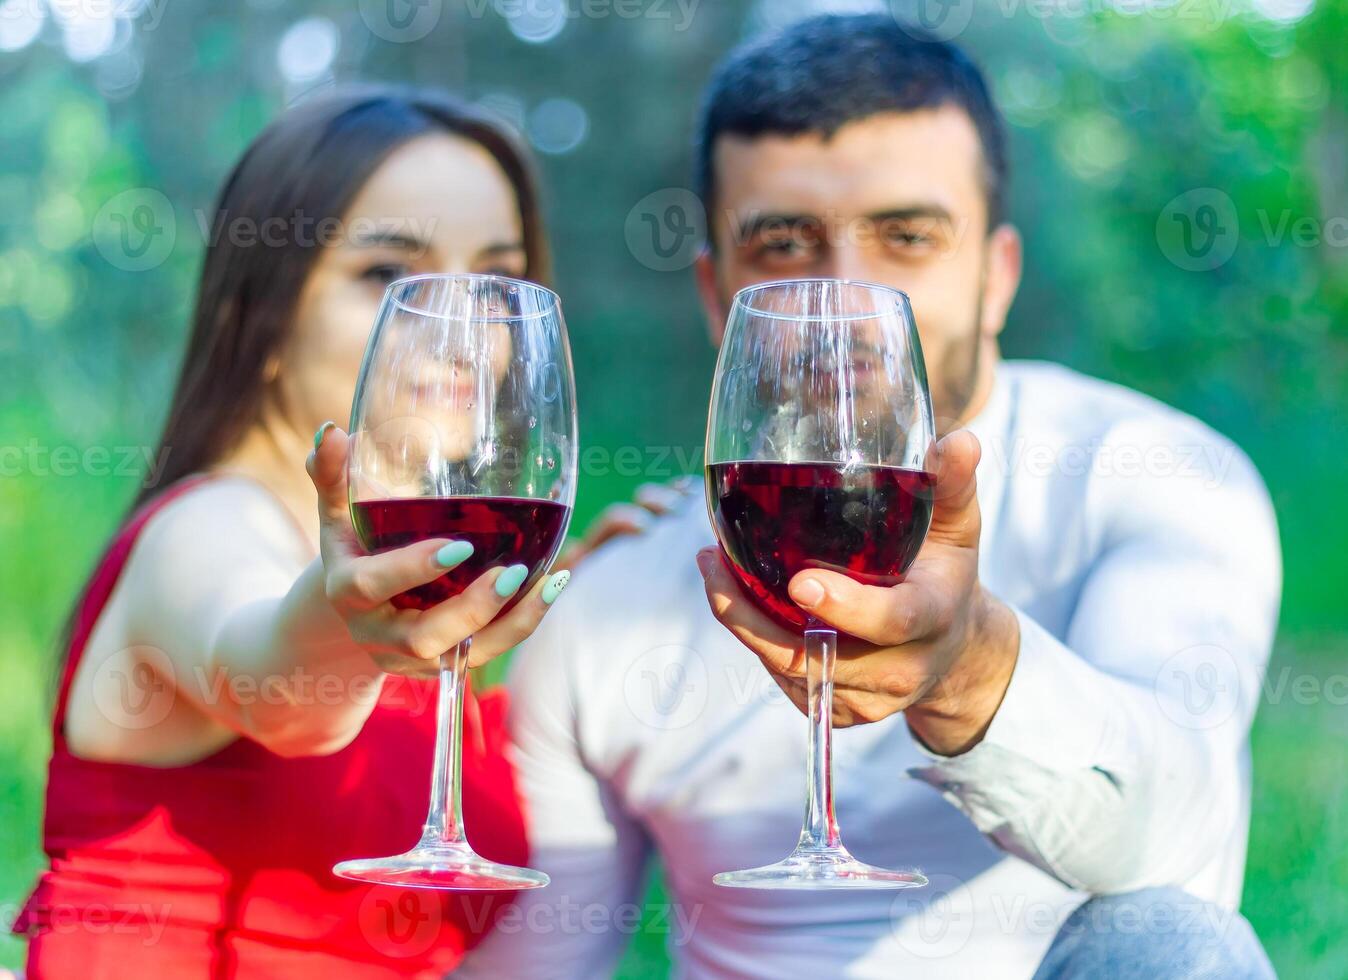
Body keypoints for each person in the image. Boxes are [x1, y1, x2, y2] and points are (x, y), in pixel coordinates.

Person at [457, 15, 1281, 979]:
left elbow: (1172, 830)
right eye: (783, 245)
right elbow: (548, 957)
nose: (844, 299)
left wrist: (972, 671)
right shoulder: (611, 600)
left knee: (1170, 944)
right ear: (717, 295)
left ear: (995, 278)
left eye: (906, 237)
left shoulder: (1159, 479)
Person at [13, 85, 652, 979]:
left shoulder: (411, 595)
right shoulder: (203, 530)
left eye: (498, 282)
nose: (464, 337)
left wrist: (563, 598)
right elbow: (276, 678)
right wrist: (336, 618)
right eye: (388, 275)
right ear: (261, 314)